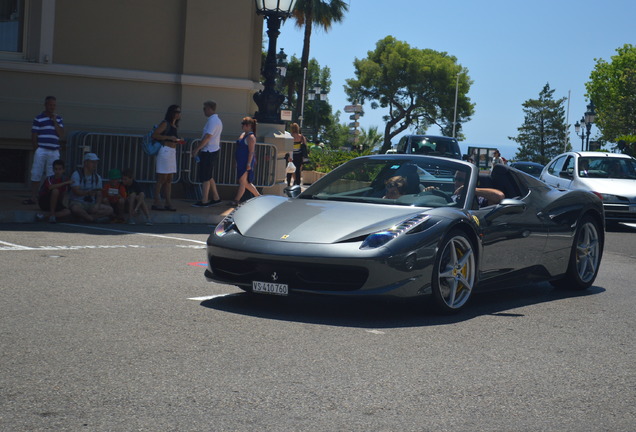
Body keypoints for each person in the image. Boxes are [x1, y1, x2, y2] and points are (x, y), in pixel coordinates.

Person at [25, 96, 65, 205]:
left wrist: (55, 121)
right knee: (36, 172)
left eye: (54, 105)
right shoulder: (38, 118)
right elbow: (34, 134)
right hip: (41, 149)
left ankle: (48, 197)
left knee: (52, 174)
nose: (52, 107)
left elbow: (61, 134)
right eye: (50, 105)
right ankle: (33, 197)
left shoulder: (59, 118)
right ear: (46, 105)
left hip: (54, 150)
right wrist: (36, 148)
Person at [152, 104, 183, 211]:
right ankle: (156, 200)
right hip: (165, 150)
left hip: (172, 151)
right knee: (162, 177)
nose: (179, 114)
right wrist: (169, 137)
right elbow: (155, 135)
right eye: (177, 112)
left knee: (169, 178)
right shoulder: (165, 123)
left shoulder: (174, 125)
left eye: (179, 112)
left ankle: (167, 201)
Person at [191, 100, 223, 207]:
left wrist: (197, 149)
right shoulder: (215, 120)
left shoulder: (213, 121)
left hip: (209, 151)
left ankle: (204, 200)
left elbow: (208, 137)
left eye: (204, 109)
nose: (203, 111)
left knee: (205, 176)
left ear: (209, 108)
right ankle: (216, 197)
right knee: (208, 175)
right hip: (212, 150)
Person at [68, 153, 113, 222]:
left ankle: (85, 218)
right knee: (75, 208)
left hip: (91, 204)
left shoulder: (97, 177)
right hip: (78, 202)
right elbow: (76, 191)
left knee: (110, 210)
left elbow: (99, 194)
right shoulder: (76, 174)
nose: (95, 164)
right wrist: (87, 193)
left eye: (96, 162)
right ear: (85, 163)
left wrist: (97, 205)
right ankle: (92, 219)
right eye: (92, 162)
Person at [231, 117, 261, 206]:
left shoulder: (251, 137)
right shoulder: (243, 134)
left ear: (248, 126)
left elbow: (251, 151)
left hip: (246, 162)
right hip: (240, 161)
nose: (242, 126)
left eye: (243, 124)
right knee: (242, 182)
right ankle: (236, 200)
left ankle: (258, 196)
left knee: (244, 182)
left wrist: (248, 164)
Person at [37, 159, 72, 223]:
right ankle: (52, 215)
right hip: (44, 201)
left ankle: (46, 216)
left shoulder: (64, 179)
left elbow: (63, 194)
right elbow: (51, 187)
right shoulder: (50, 178)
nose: (57, 171)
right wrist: (65, 183)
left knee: (68, 211)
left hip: (56, 201)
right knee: (55, 191)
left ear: (63, 170)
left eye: (60, 169)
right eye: (56, 169)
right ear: (53, 170)